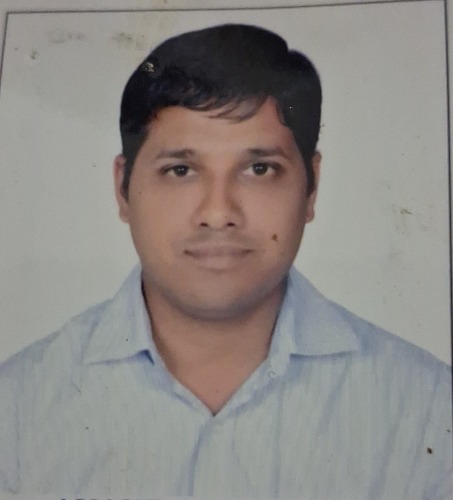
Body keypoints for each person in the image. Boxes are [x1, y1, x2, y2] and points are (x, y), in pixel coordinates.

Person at [0, 24, 451, 499]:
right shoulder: (16, 412)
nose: (218, 213)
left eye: (259, 169)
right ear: (123, 188)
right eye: (180, 170)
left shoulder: (426, 411)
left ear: (311, 187)